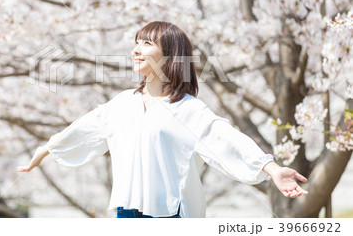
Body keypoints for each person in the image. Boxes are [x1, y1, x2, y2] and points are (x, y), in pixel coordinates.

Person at [17, 21, 308, 218]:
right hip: (125, 214)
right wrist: (45, 150)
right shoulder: (121, 104)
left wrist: (271, 169)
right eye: (136, 42)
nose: (136, 49)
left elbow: (226, 139)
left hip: (172, 216)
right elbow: (82, 130)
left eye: (146, 43)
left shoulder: (188, 109)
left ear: (170, 56)